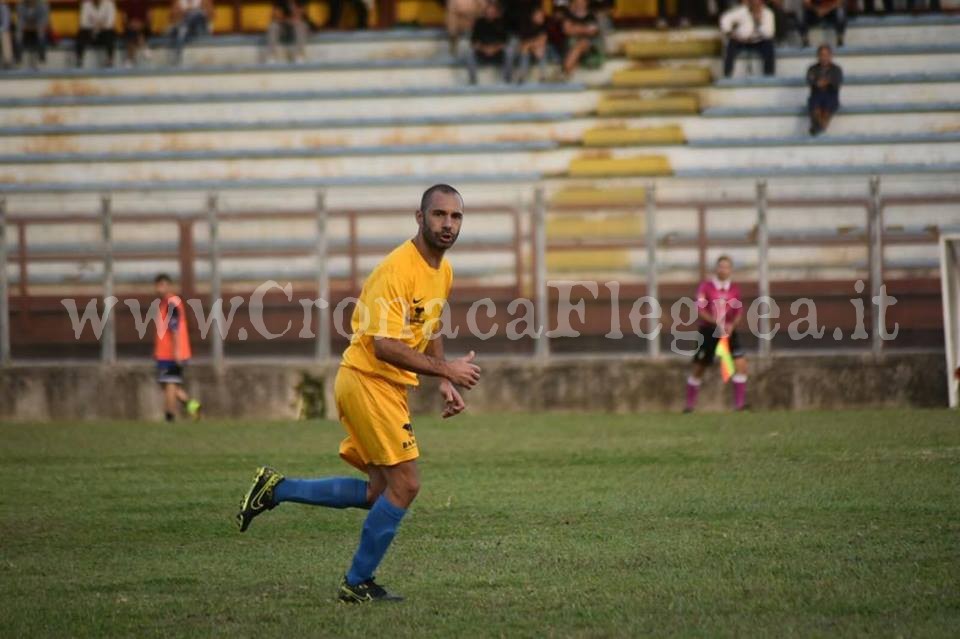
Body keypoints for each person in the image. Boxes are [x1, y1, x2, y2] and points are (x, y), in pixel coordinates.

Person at [235, 184, 482, 604]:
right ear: (420, 218)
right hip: (369, 381)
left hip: (383, 385)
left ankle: (274, 488)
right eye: (439, 215)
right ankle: (358, 581)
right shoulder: (396, 270)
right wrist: (447, 368)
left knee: (377, 493)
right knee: (405, 485)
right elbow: (383, 345)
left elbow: (431, 324)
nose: (448, 224)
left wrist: (443, 379)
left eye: (456, 216)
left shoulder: (443, 269)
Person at [684, 255, 748, 412]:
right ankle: (689, 406)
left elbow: (738, 311)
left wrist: (732, 325)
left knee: (740, 363)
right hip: (708, 331)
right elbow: (700, 309)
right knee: (699, 367)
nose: (723, 269)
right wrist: (717, 322)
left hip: (728, 331)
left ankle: (739, 405)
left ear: (731, 270)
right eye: (721, 266)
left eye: (726, 267)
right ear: (716, 268)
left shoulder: (734, 289)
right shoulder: (706, 287)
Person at [153, 273, 201, 422]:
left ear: (168, 286)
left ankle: (169, 417)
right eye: (158, 285)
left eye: (163, 285)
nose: (160, 288)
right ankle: (193, 405)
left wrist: (176, 351)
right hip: (165, 352)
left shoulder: (171, 303)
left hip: (170, 352)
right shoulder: (165, 303)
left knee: (170, 384)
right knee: (167, 385)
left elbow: (174, 327)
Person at [720, 0, 775, 78]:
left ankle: (769, 75)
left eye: (758, 2)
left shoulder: (768, 13)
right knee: (730, 45)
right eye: (753, 2)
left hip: (759, 41)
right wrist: (730, 32)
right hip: (741, 40)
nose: (756, 4)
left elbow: (769, 33)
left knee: (769, 45)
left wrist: (758, 22)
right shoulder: (742, 11)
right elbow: (725, 19)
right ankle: (727, 74)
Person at [466, 0, 508, 85]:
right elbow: (473, 42)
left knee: (509, 51)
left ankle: (507, 79)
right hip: (482, 52)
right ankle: (472, 80)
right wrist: (484, 49)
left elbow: (505, 42)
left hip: (497, 52)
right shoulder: (479, 22)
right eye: (489, 10)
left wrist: (494, 49)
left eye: (492, 10)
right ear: (485, 11)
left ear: (496, 11)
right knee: (470, 53)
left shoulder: (501, 22)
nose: (490, 12)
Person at [562, 0, 603, 80]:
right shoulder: (569, 16)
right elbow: (567, 30)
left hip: (589, 45)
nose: (579, 5)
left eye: (582, 2)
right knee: (577, 47)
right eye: (577, 3)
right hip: (572, 44)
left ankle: (566, 68)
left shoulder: (591, 16)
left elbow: (592, 31)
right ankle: (569, 73)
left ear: (586, 3)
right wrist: (584, 29)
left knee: (582, 43)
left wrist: (576, 28)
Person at [806, 43, 842, 135]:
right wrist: (817, 83)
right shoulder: (812, 68)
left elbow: (837, 83)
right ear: (818, 56)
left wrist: (826, 82)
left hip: (831, 95)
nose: (824, 58)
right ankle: (820, 125)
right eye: (821, 55)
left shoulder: (836, 69)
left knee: (828, 106)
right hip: (817, 95)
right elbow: (810, 80)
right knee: (814, 105)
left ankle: (819, 126)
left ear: (830, 56)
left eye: (826, 55)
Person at [510, 4, 548, 83]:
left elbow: (542, 41)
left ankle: (543, 77)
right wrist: (533, 45)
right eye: (538, 15)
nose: (541, 17)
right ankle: (521, 77)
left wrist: (534, 46)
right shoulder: (525, 26)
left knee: (541, 50)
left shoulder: (543, 26)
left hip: (533, 48)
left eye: (542, 15)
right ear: (533, 16)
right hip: (518, 50)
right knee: (524, 50)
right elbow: (521, 45)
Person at [169, 0, 213, 65]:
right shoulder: (179, 2)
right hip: (185, 30)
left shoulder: (203, 1)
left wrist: (192, 11)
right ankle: (184, 27)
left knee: (197, 13)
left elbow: (210, 15)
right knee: (192, 16)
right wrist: (185, 12)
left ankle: (184, 27)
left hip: (199, 29)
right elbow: (172, 17)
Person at [76, 0, 117, 68]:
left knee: (110, 33)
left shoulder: (109, 4)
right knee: (81, 33)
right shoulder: (86, 4)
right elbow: (83, 22)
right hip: (90, 32)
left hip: (104, 33)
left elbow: (110, 22)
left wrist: (95, 23)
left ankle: (110, 60)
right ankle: (79, 60)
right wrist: (98, 24)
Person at [16, 0, 49, 68]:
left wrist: (34, 26)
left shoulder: (43, 5)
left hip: (38, 30)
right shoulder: (20, 6)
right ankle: (18, 59)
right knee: (18, 34)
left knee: (41, 32)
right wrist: (28, 26)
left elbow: (43, 21)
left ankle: (42, 58)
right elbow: (20, 21)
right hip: (25, 31)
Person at [122, 0, 151, 66]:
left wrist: (141, 24)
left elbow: (149, 18)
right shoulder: (127, 2)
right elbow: (124, 19)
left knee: (135, 33)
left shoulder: (145, 2)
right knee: (131, 33)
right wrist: (131, 24)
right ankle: (144, 47)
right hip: (130, 27)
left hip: (144, 27)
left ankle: (129, 59)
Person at [0, 2, 13, 68]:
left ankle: (7, 62)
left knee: (5, 35)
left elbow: (6, 24)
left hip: (2, 31)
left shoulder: (3, 7)